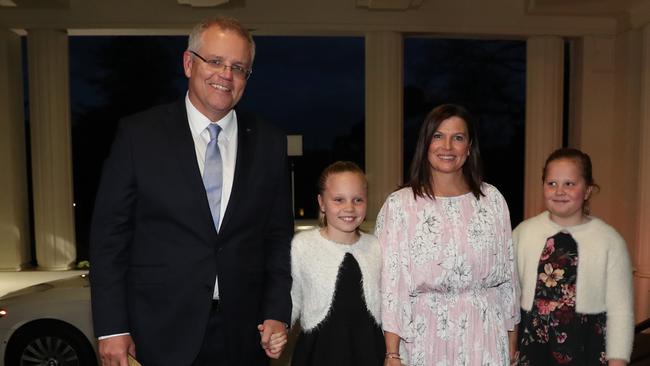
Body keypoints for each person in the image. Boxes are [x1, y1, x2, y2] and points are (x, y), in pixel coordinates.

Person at [89, 16, 293, 366]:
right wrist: (111, 328)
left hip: (243, 337)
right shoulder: (139, 136)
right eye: (215, 61)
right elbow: (109, 239)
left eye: (239, 67)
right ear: (188, 63)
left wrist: (277, 312)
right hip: (157, 333)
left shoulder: (269, 142)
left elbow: (277, 238)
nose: (226, 75)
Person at [376, 104, 520, 366]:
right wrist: (392, 353)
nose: (448, 146)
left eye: (458, 137)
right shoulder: (400, 205)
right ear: (426, 143)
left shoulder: (493, 200)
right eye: (438, 136)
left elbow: (508, 277)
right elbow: (391, 285)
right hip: (423, 337)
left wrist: (511, 339)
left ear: (469, 147)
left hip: (485, 335)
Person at [513, 148, 634, 366]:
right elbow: (509, 298)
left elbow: (621, 311)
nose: (559, 191)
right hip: (533, 350)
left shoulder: (610, 241)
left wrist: (618, 361)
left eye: (569, 184)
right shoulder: (522, 234)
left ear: (587, 190)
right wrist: (509, 345)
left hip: (587, 349)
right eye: (551, 183)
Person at [290, 161, 385, 366]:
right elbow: (292, 299)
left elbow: (388, 306)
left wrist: (397, 354)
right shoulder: (302, 245)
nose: (349, 208)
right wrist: (277, 327)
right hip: (318, 353)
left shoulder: (377, 247)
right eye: (339, 200)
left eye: (357, 199)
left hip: (369, 352)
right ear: (322, 202)